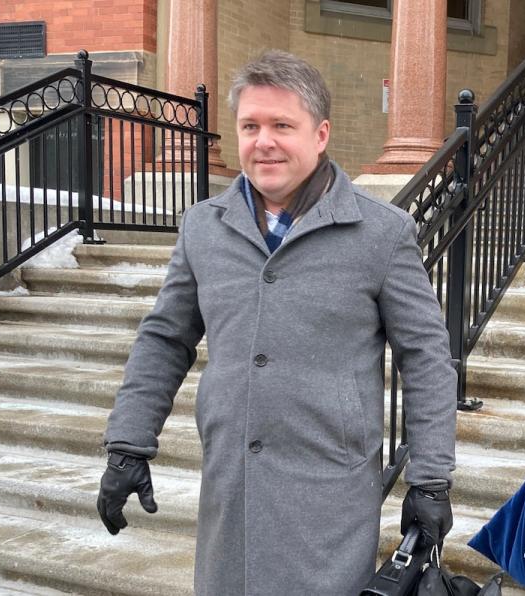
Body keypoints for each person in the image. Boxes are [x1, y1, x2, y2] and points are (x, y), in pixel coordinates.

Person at [96, 50, 457, 595]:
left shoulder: (382, 234)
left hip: (330, 495)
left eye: (282, 126)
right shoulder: (203, 228)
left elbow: (426, 358)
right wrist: (129, 441)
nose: (263, 141)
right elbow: (165, 339)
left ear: (320, 134)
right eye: (250, 126)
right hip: (232, 486)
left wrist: (429, 479)